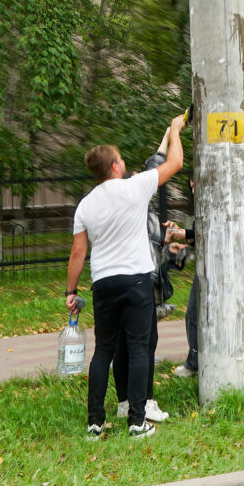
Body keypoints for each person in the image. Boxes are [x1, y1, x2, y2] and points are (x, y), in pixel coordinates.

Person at [65, 114, 186, 440]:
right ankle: (136, 421)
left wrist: (71, 291)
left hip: (103, 282)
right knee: (138, 347)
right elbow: (175, 161)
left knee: (104, 351)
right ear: (116, 166)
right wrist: (174, 129)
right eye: (121, 159)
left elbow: (78, 254)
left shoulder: (86, 205)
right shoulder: (135, 187)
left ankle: (95, 422)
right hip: (135, 280)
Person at [113, 128, 189, 420]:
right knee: (144, 344)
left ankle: (124, 403)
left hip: (117, 279)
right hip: (141, 281)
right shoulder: (138, 198)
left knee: (123, 344)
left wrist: (166, 242)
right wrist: (173, 131)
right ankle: (144, 403)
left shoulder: (115, 203)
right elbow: (157, 164)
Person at [165, 174, 197, 377]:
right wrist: (185, 245)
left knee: (193, 314)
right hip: (206, 268)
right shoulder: (200, 207)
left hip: (214, 272)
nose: (193, 191)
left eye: (195, 187)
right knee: (194, 315)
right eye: (191, 187)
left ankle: (194, 364)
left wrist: (187, 234)